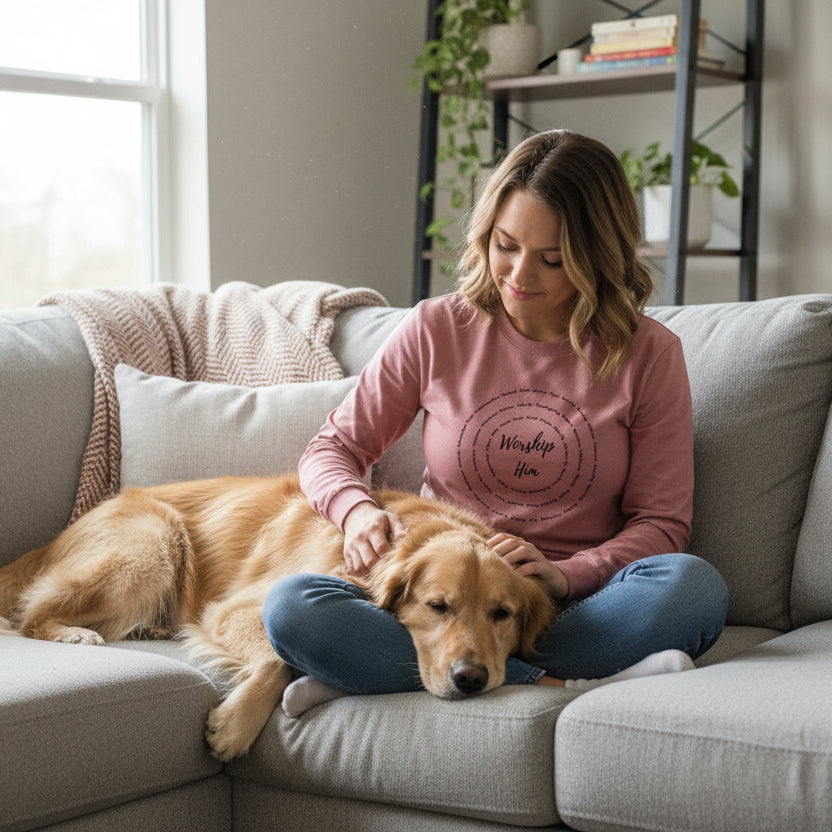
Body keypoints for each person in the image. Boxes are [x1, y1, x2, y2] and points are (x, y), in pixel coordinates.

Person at [262, 129, 729, 717]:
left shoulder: (648, 354)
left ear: (597, 257)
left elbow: (661, 524)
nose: (518, 275)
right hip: (446, 602)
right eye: (505, 245)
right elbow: (333, 449)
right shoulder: (437, 329)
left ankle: (376, 670)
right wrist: (357, 511)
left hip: (560, 609)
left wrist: (562, 576)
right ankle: (550, 683)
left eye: (552, 259)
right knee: (292, 607)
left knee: (694, 588)